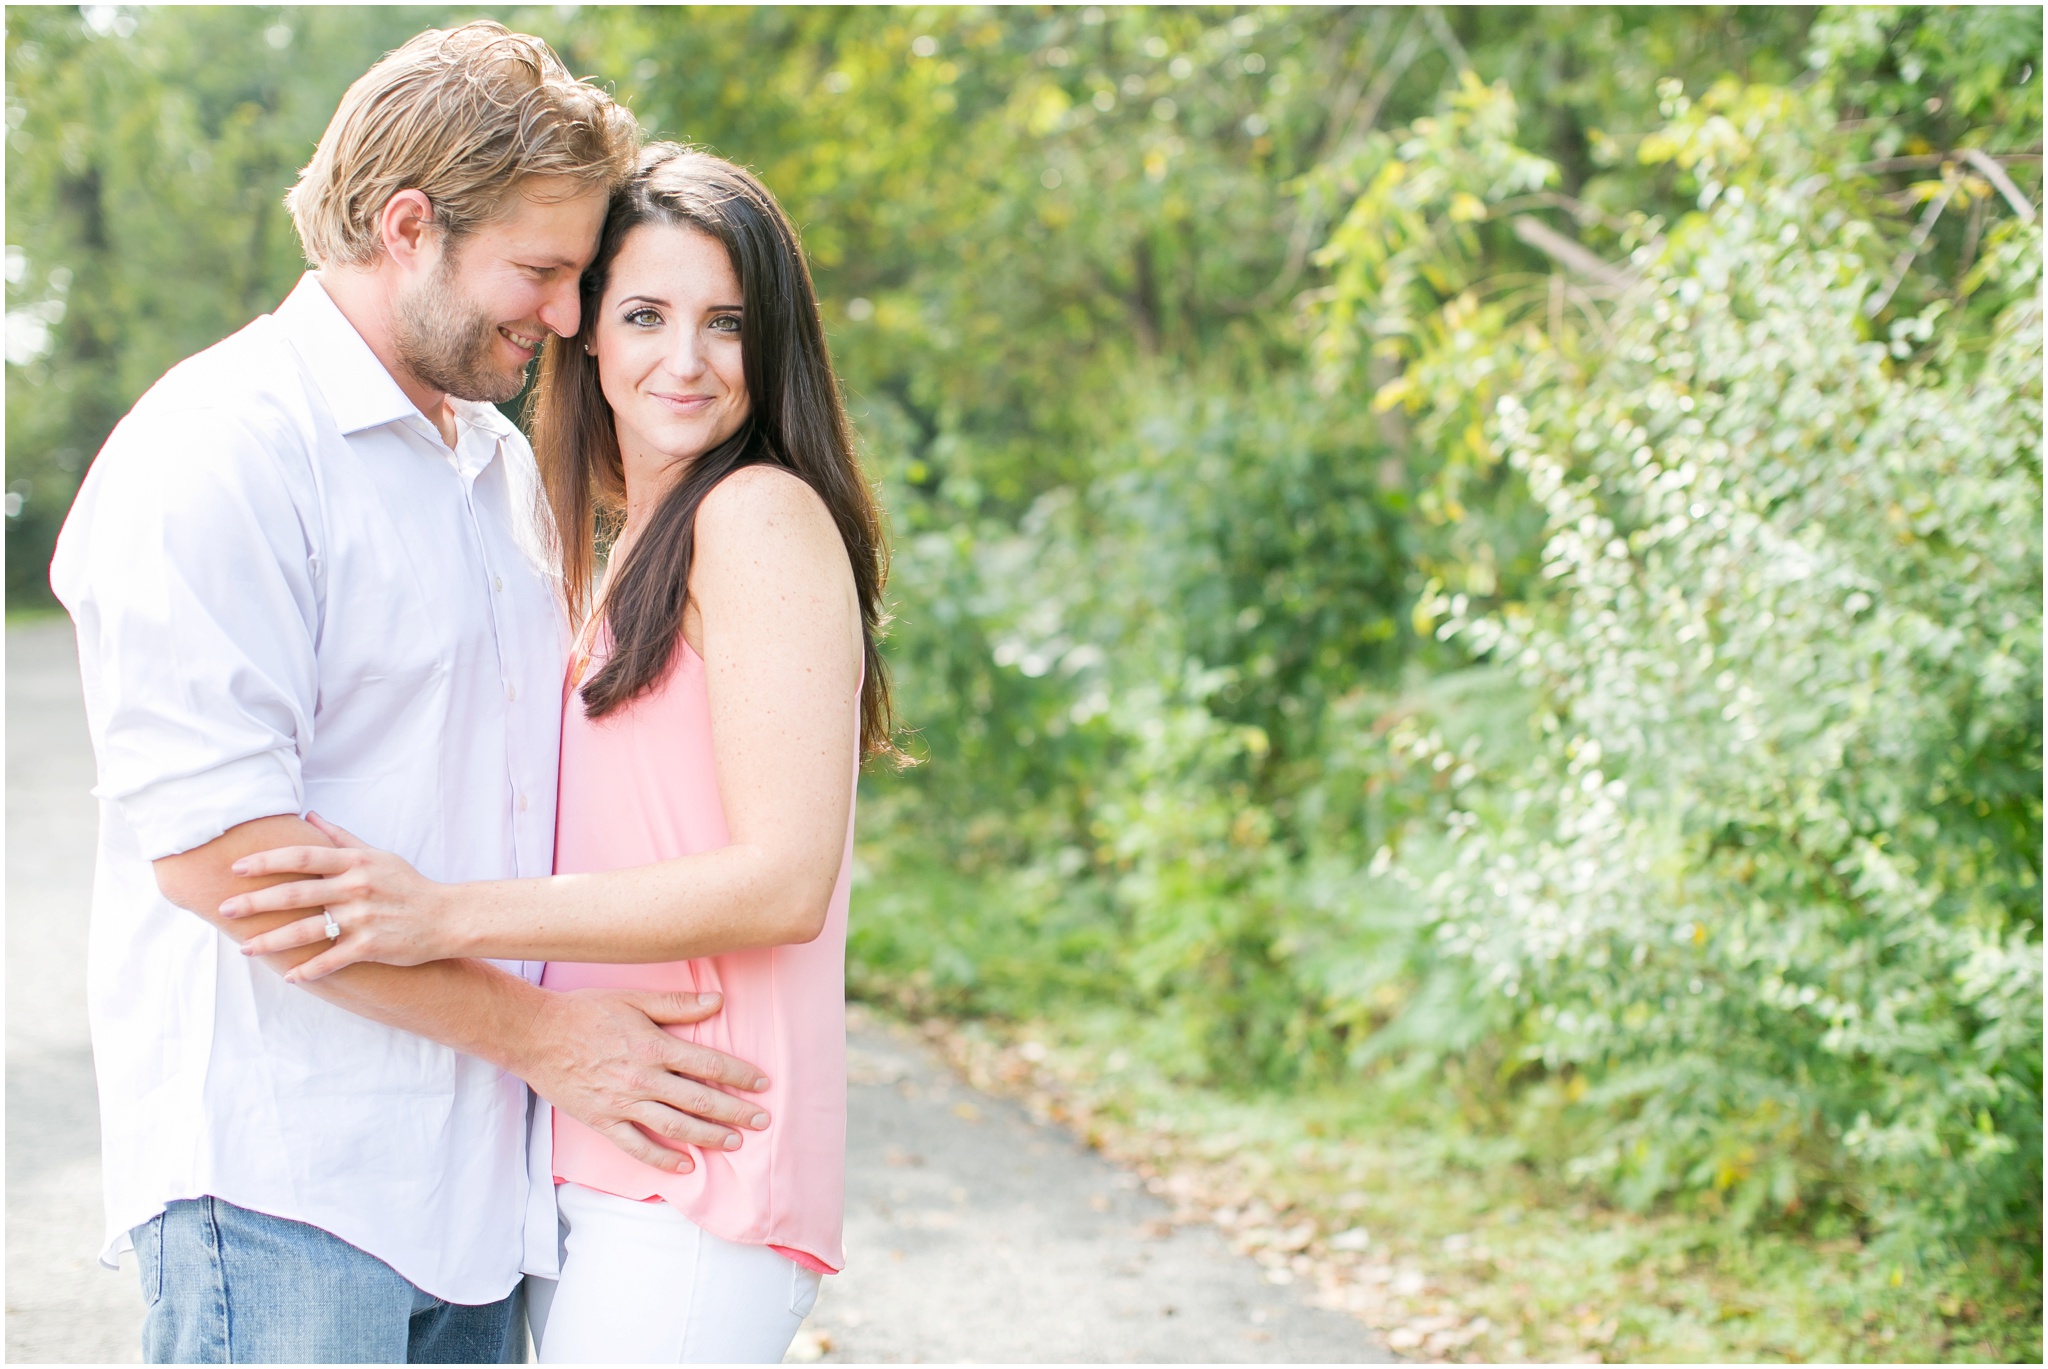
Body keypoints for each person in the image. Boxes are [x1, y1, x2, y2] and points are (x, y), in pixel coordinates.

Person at [50, 26, 774, 1364]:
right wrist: (552, 1039)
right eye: (542, 273)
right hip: (283, 1186)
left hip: (475, 1194)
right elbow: (225, 861)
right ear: (406, 227)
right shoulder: (221, 452)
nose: (564, 320)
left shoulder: (491, 470)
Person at [221, 144, 893, 1363]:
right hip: (591, 1140)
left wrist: (444, 915)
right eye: (645, 314)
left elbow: (786, 880)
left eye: (728, 323)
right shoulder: (622, 546)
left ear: (774, 344)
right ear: (586, 330)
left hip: (703, 1147)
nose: (684, 360)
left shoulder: (757, 514)